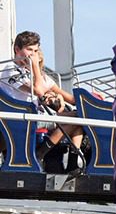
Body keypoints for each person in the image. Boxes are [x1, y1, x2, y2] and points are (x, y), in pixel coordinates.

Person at [0, 31, 84, 172]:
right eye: (29, 50)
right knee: (75, 119)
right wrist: (35, 68)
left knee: (80, 118)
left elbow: (68, 99)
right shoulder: (11, 68)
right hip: (22, 118)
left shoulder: (31, 72)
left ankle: (74, 164)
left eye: (35, 51)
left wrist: (88, 98)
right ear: (17, 50)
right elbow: (39, 90)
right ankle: (40, 154)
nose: (32, 55)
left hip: (37, 115)